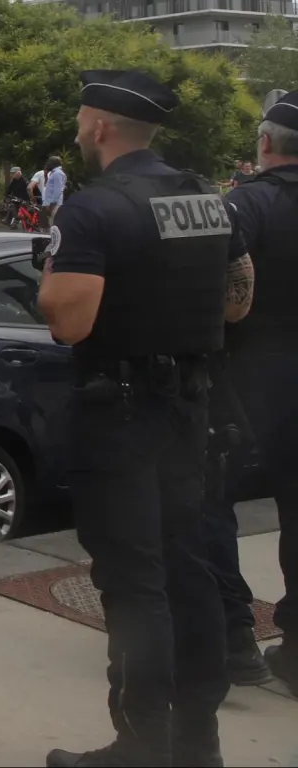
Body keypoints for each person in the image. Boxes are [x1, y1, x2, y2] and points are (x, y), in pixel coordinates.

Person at [38, 71, 241, 768]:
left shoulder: (95, 210)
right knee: (191, 570)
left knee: (134, 582)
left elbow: (70, 322)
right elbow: (238, 300)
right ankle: (197, 743)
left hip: (121, 415)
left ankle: (141, 742)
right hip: (192, 409)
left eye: (79, 118)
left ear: (99, 128)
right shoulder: (207, 199)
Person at [204, 90, 298, 693]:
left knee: (209, 502)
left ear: (265, 142)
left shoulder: (243, 205)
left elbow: (214, 294)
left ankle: (233, 636)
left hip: (246, 381)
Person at [41, 156, 68, 228]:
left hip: (54, 204)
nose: (47, 164)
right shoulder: (54, 173)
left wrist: (51, 204)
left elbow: (58, 190)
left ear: (54, 163)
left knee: (54, 225)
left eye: (49, 162)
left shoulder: (57, 173)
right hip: (52, 203)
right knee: (52, 224)